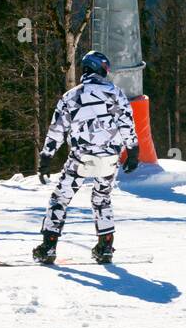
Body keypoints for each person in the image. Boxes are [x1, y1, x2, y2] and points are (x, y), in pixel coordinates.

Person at [32, 51, 140, 265]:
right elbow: (127, 125)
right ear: (100, 69)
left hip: (81, 159)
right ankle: (105, 246)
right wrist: (133, 152)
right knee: (102, 199)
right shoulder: (115, 94)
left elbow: (57, 130)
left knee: (60, 198)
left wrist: (46, 158)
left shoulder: (71, 96)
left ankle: (48, 246)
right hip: (109, 159)